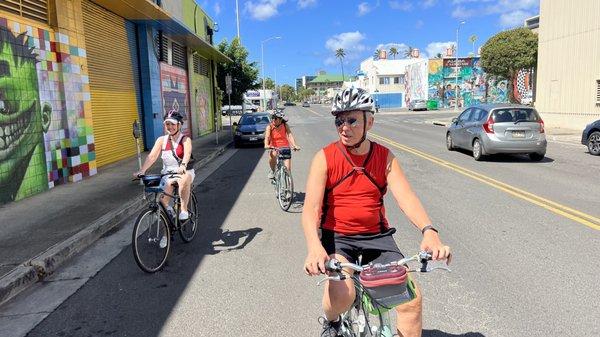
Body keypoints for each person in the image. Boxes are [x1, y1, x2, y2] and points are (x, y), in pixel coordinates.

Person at [301, 87, 451, 337]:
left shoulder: (385, 157)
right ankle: (332, 321)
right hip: (337, 236)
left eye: (351, 120)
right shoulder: (325, 157)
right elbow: (311, 209)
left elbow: (406, 197)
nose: (344, 127)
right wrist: (314, 247)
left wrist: (429, 231)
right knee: (342, 294)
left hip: (377, 236)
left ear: (369, 121)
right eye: (339, 121)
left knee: (411, 301)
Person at [134, 111, 195, 223]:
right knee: (162, 203)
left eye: (172, 124)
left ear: (179, 125)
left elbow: (187, 154)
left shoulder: (185, 139)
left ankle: (183, 209)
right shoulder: (161, 140)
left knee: (184, 179)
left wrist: (183, 165)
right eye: (167, 124)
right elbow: (152, 156)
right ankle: (167, 230)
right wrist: (142, 170)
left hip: (184, 171)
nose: (170, 127)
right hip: (168, 173)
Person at [264, 110, 300, 179]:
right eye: (273, 118)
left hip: (285, 147)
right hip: (274, 147)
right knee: (273, 156)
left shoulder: (285, 125)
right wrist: (266, 144)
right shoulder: (270, 127)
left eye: (276, 118)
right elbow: (267, 137)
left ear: (280, 119)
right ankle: (272, 170)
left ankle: (287, 185)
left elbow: (289, 135)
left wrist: (294, 145)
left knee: (288, 169)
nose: (274, 119)